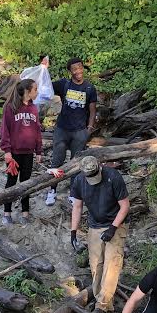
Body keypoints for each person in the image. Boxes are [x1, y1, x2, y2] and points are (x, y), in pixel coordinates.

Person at [68, 155, 129, 313]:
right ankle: (102, 302)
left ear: (99, 167)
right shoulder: (79, 181)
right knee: (96, 266)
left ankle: (102, 307)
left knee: (111, 265)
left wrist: (113, 228)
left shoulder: (113, 177)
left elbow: (124, 206)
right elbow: (77, 207)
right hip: (94, 226)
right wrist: (73, 231)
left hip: (116, 223)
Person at [46, 57, 98, 207]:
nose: (78, 71)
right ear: (70, 71)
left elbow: (92, 110)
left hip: (80, 132)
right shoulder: (64, 84)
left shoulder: (89, 88)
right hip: (62, 129)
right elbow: (46, 85)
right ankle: (52, 190)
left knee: (76, 163)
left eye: (80, 67)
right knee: (57, 160)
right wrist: (44, 69)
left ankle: (73, 193)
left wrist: (89, 129)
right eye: (74, 69)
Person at [0, 77, 43, 224]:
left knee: (26, 183)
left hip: (28, 153)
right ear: (27, 91)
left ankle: (25, 213)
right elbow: (5, 130)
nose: (37, 92)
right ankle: (7, 213)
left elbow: (37, 130)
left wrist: (39, 150)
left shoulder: (33, 108)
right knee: (11, 182)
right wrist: (7, 151)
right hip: (14, 153)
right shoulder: (10, 108)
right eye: (35, 89)